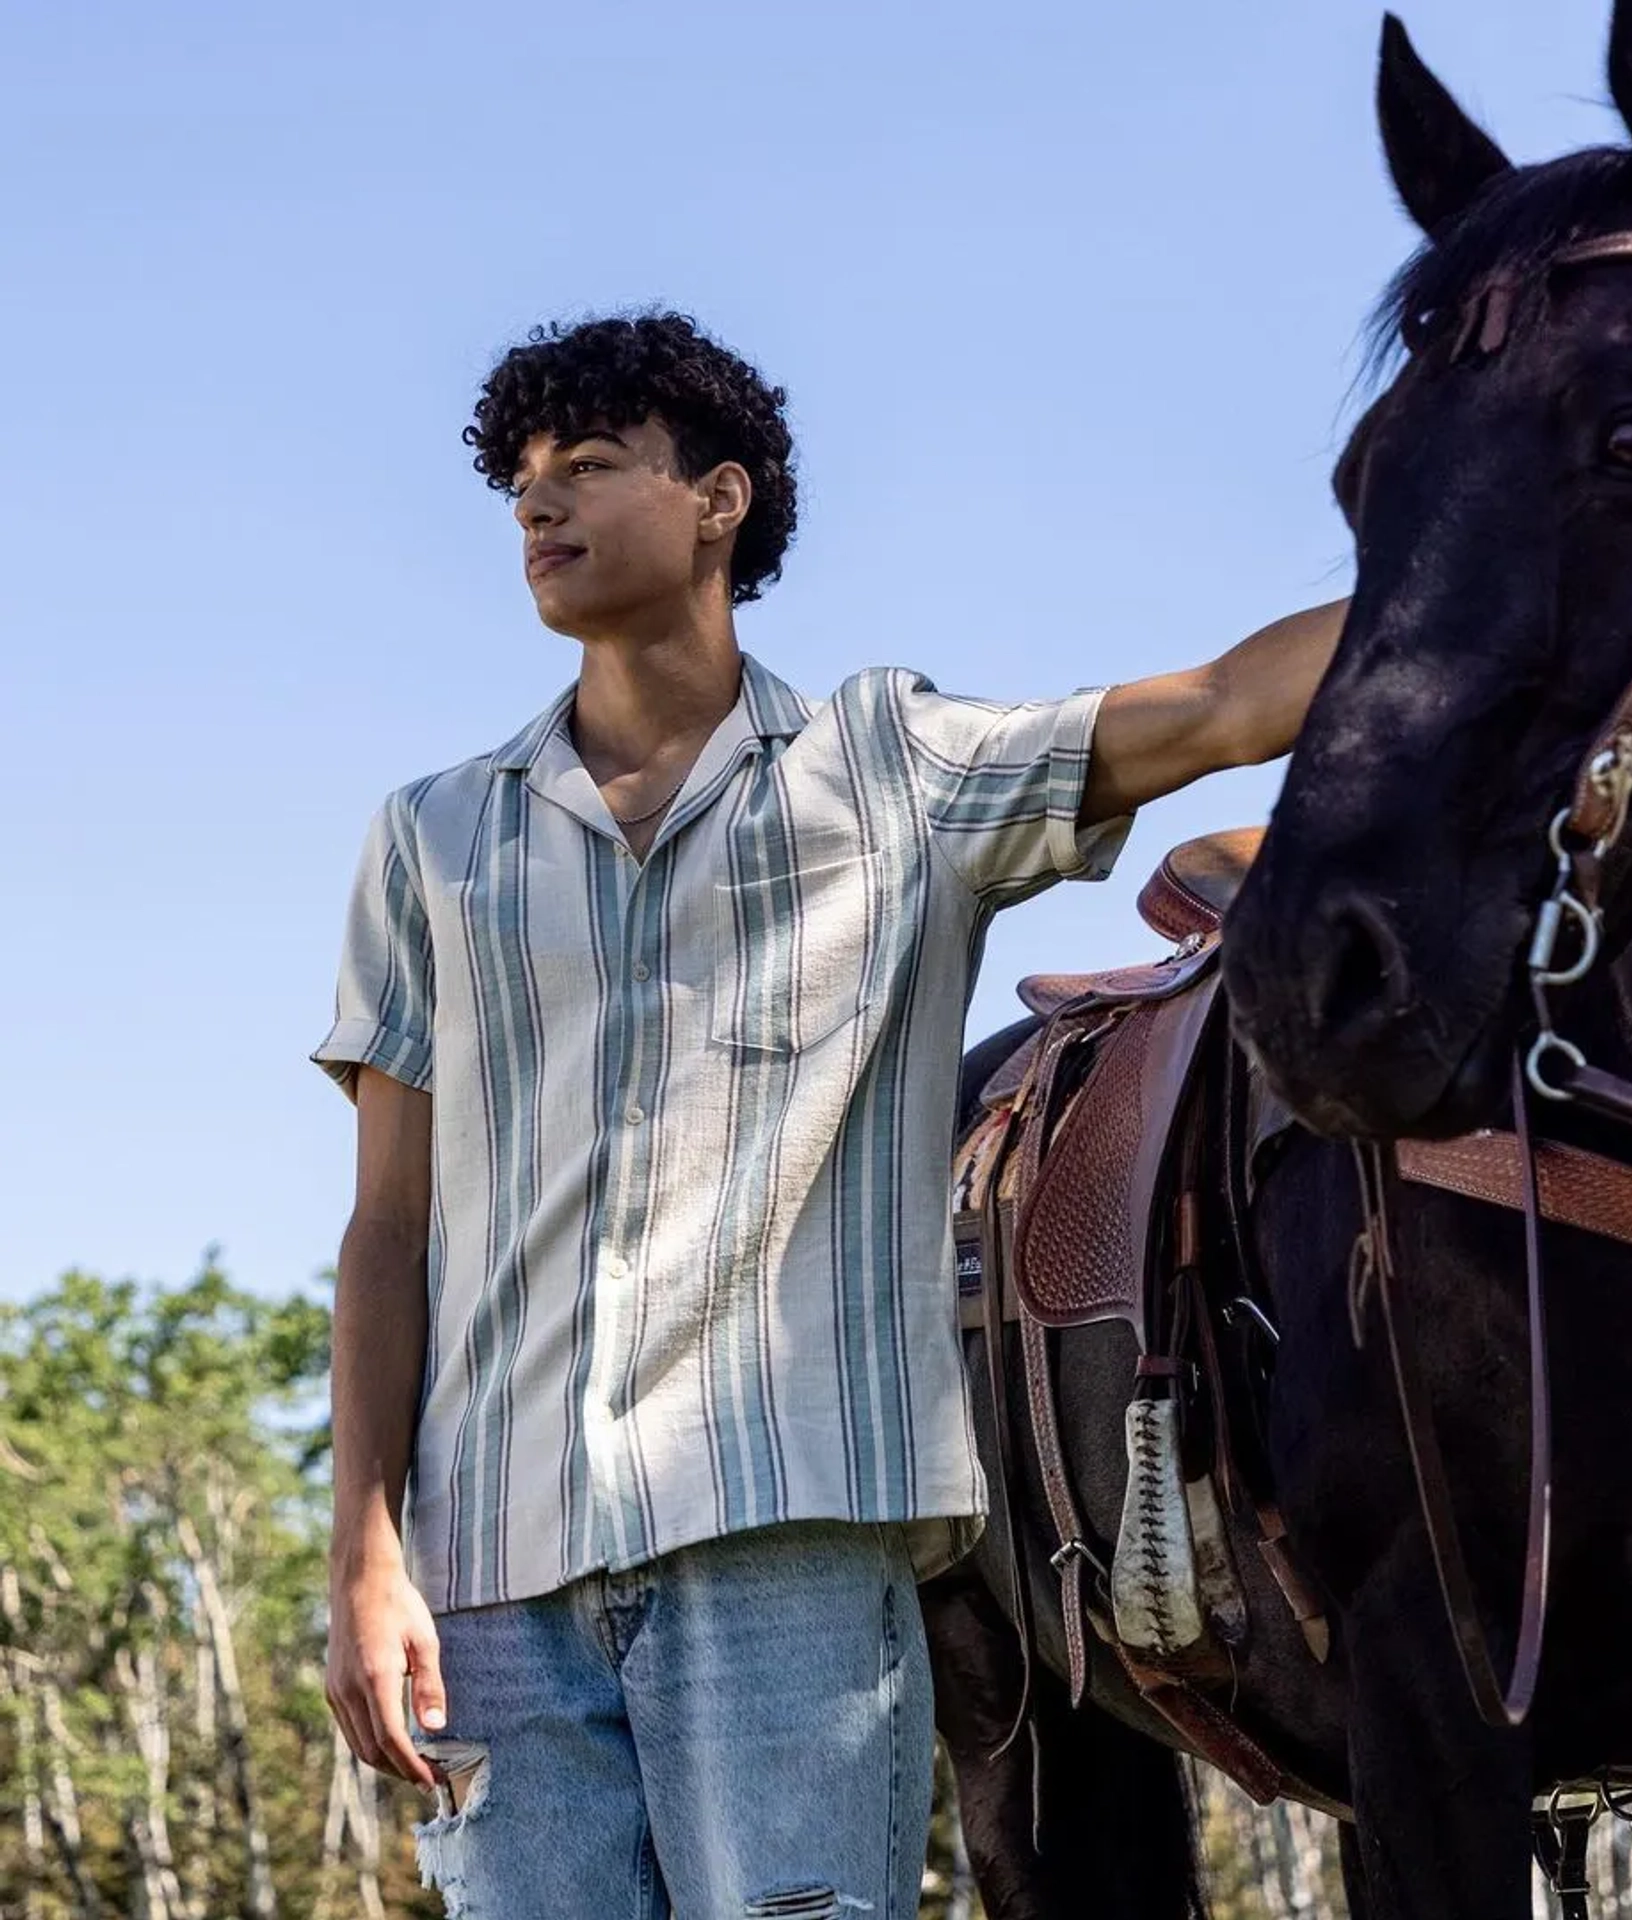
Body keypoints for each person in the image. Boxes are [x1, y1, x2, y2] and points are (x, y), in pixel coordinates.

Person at [315, 309, 1343, 1920]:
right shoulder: (433, 837)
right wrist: (364, 1555)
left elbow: (1219, 704)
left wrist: (1481, 562)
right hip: (493, 1574)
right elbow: (388, 1229)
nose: (539, 504)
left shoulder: (896, 773)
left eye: (588, 464)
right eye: (520, 479)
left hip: (789, 1544)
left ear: (718, 500)